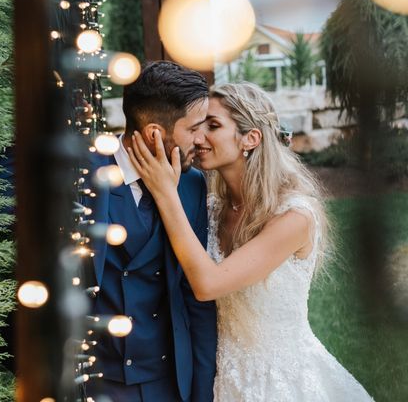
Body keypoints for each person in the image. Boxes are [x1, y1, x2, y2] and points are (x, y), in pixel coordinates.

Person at [127, 82, 374, 401]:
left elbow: (208, 283)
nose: (199, 138)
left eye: (213, 126)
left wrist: (165, 193)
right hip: (223, 377)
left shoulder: (294, 217)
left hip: (280, 381)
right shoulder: (212, 209)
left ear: (251, 138)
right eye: (199, 127)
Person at [85, 61, 217, 402]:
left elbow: (195, 297)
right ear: (156, 133)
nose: (202, 140)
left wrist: (201, 392)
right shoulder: (85, 175)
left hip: (168, 381)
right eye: (194, 129)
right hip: (98, 382)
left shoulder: (191, 184)